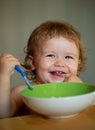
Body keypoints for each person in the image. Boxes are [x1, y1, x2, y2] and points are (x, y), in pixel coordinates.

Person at [0, 21, 86, 118]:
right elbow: (3, 114)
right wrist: (3, 76)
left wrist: (79, 89)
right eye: (50, 55)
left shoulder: (76, 85)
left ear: (78, 63)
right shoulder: (23, 92)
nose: (60, 63)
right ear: (33, 62)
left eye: (68, 57)